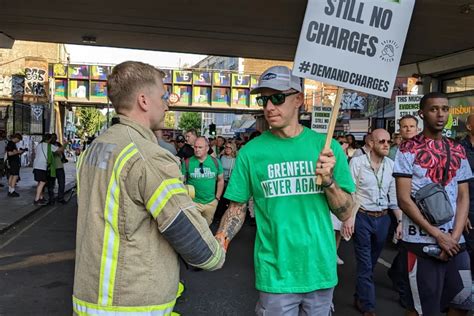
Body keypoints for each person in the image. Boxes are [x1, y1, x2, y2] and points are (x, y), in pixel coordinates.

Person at [73, 61, 225, 315]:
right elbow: (184, 229)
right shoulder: (146, 155)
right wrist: (217, 251)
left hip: (91, 297)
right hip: (131, 301)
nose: (167, 104)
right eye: (163, 95)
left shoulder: (97, 147)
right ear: (144, 101)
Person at [215, 65, 355, 315]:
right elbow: (236, 208)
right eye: (264, 99)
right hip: (275, 272)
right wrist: (220, 241)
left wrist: (329, 182)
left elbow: (345, 213)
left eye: (277, 98)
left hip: (320, 269)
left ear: (299, 99)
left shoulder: (326, 147)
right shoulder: (250, 153)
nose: (269, 107)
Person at [393, 92, 473, 315]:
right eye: (433, 109)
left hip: (456, 243)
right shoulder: (408, 149)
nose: (440, 114)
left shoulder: (458, 149)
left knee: (463, 302)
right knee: (422, 309)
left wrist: (453, 239)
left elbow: (463, 195)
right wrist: (438, 236)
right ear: (422, 113)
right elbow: (403, 199)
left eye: (445, 109)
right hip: (421, 243)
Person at [342, 129, 402, 316]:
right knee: (365, 262)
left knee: (372, 260)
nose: (386, 144)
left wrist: (400, 221)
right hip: (362, 216)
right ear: (371, 143)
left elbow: (393, 197)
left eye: (388, 141)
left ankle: (360, 295)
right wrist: (349, 218)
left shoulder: (391, 165)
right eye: (382, 141)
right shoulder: (357, 162)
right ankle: (368, 305)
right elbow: (350, 191)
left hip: (383, 218)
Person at [182, 136, 224, 226]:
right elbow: (180, 182)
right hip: (193, 202)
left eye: (200, 147)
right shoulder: (187, 162)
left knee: (206, 228)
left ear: (207, 148)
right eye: (195, 147)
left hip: (211, 203)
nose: (197, 149)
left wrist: (217, 198)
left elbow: (221, 180)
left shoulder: (216, 162)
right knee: (193, 227)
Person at [461, 113, 474, 276]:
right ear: (469, 127)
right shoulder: (460, 149)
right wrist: (462, 213)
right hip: (468, 207)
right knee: (467, 250)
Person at [33, 134, 62, 205]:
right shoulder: (49, 146)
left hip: (36, 165)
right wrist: (65, 144)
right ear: (49, 139)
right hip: (42, 166)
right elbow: (59, 149)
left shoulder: (39, 145)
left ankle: (41, 197)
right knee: (42, 182)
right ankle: (36, 200)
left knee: (39, 182)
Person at [48, 133, 67, 204]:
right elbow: (60, 151)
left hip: (58, 166)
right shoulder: (49, 146)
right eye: (53, 137)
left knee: (57, 184)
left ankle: (57, 198)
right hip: (54, 167)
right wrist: (65, 144)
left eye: (55, 137)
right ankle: (55, 199)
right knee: (53, 184)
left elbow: (61, 153)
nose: (54, 138)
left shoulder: (57, 144)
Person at [6, 133, 26, 197]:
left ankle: (10, 190)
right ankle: (12, 191)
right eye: (19, 140)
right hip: (13, 162)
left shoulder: (11, 143)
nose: (19, 141)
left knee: (11, 176)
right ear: (16, 138)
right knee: (15, 176)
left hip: (12, 162)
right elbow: (9, 153)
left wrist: (19, 152)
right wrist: (18, 152)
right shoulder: (11, 144)